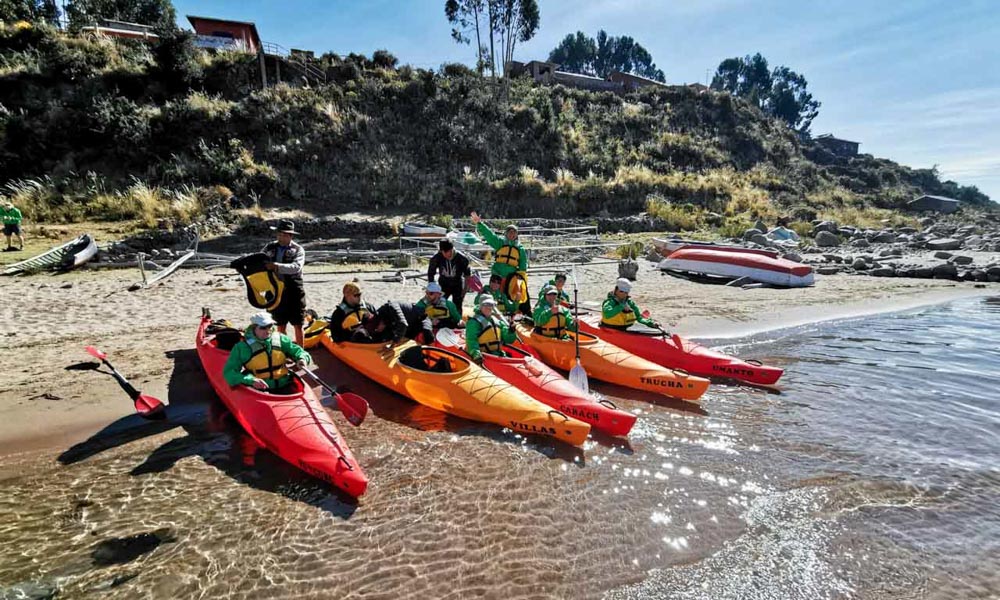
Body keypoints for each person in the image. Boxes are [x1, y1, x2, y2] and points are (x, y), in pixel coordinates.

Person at [223, 312, 311, 392]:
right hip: (260, 388)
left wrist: (302, 359)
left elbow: (300, 352)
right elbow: (229, 373)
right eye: (263, 327)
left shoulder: (281, 339)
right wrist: (251, 380)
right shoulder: (242, 347)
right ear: (254, 328)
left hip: (284, 383)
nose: (268, 330)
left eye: (270, 326)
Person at [470, 211, 530, 314]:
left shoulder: (520, 249)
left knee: (514, 293)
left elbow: (523, 265)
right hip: (497, 274)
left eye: (514, 232)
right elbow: (489, 235)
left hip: (511, 276)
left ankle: (516, 309)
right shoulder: (500, 243)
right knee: (495, 292)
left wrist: (521, 277)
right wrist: (480, 224)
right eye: (510, 232)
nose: (512, 234)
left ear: (516, 235)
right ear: (506, 233)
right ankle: (490, 309)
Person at [261, 219, 307, 346]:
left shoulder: (298, 250)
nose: (281, 237)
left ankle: (301, 353)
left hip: (294, 291)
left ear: (290, 236)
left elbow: (296, 267)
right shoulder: (269, 247)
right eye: (279, 234)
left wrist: (276, 266)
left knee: (298, 324)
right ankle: (285, 351)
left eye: (284, 235)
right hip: (274, 290)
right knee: (280, 325)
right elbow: (260, 260)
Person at [465, 296, 517, 365]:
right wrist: (476, 354)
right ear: (480, 306)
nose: (489, 307)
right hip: (483, 356)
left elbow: (508, 340)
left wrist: (511, 331)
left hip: (497, 355)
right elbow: (471, 340)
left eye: (491, 305)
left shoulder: (497, 321)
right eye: (486, 305)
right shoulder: (473, 322)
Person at [427, 239, 471, 308]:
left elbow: (467, 276)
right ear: (441, 251)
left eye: (451, 251)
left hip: (457, 285)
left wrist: (464, 291)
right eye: (446, 252)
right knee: (438, 305)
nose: (449, 254)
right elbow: (431, 273)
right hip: (443, 284)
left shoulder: (462, 259)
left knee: (457, 306)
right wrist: (433, 290)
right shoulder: (437, 258)